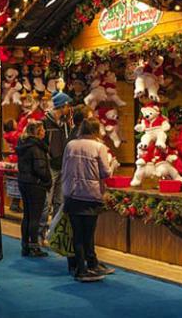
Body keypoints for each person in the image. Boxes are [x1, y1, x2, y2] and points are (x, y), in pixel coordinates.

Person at [62, 118, 114, 282]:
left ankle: (82, 267)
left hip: (72, 193)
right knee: (89, 233)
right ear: (96, 130)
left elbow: (64, 167)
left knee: (77, 234)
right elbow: (105, 173)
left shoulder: (70, 145)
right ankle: (88, 267)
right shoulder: (99, 147)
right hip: (90, 194)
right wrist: (113, 165)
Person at [16, 121, 52, 257]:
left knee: (27, 215)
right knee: (35, 217)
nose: (44, 132)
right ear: (37, 132)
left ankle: (25, 245)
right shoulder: (36, 147)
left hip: (24, 182)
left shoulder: (23, 144)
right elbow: (40, 168)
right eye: (42, 130)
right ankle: (33, 246)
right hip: (35, 184)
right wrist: (47, 181)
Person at [40, 91, 73, 240]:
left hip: (63, 165)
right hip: (50, 165)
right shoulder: (45, 122)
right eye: (68, 105)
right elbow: (42, 143)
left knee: (60, 201)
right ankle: (41, 231)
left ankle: (54, 233)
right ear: (63, 106)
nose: (69, 108)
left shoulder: (65, 124)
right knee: (46, 200)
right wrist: (49, 157)